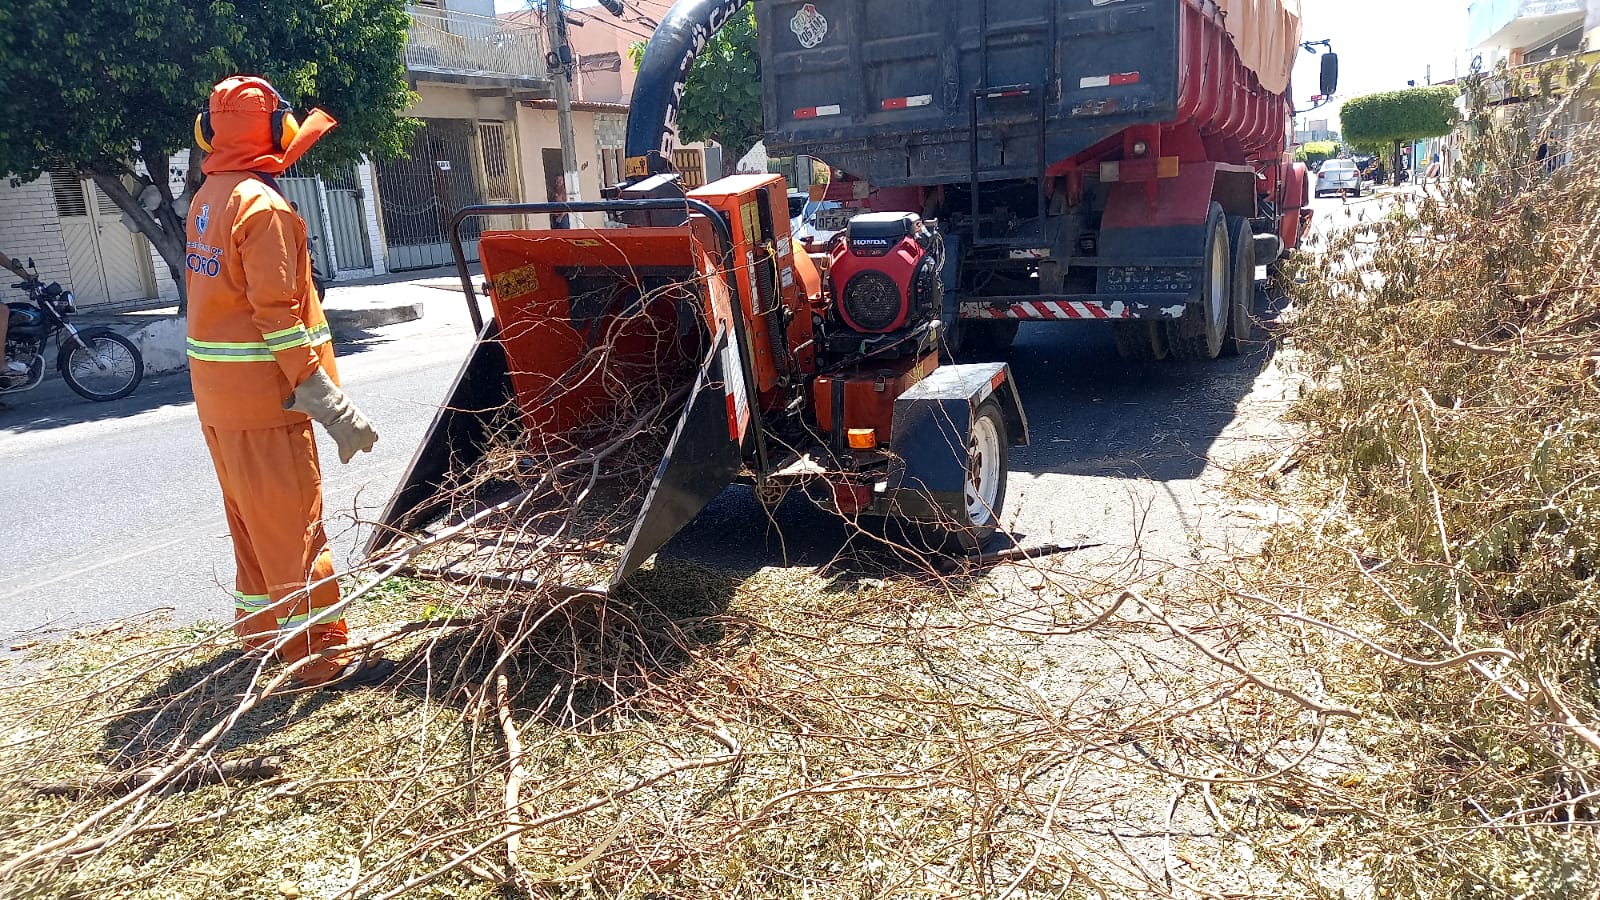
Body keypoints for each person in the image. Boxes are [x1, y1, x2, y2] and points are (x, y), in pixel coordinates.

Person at [187, 75, 391, 688]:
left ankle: (260, 636)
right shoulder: (262, 207)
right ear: (274, 131)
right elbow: (278, 318)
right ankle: (320, 655)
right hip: (267, 398)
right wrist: (324, 398)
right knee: (296, 525)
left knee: (252, 521)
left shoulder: (210, 196)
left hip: (220, 400)